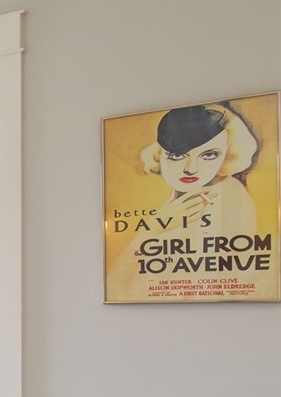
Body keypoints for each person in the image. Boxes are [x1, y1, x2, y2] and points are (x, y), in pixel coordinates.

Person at [108, 102, 263, 300]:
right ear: (160, 154)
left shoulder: (221, 198)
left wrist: (151, 229)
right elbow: (116, 289)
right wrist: (153, 228)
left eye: (209, 154)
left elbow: (124, 288)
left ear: (228, 154)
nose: (191, 168)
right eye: (178, 154)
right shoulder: (191, 194)